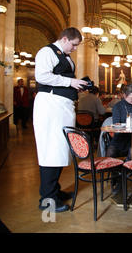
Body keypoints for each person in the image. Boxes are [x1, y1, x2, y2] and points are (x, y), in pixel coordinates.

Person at [33, 27, 88, 213]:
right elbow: (41, 76)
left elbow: (62, 78)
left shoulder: (65, 56)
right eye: (73, 45)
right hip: (50, 106)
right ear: (64, 39)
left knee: (59, 150)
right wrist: (70, 82)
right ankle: (47, 199)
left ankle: (54, 191)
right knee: (50, 150)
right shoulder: (47, 52)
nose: (74, 49)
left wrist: (77, 84)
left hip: (62, 107)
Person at [106, 83, 132, 159]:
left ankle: (129, 169)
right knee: (110, 151)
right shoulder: (117, 107)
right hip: (120, 137)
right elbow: (116, 125)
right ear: (124, 95)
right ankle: (113, 170)